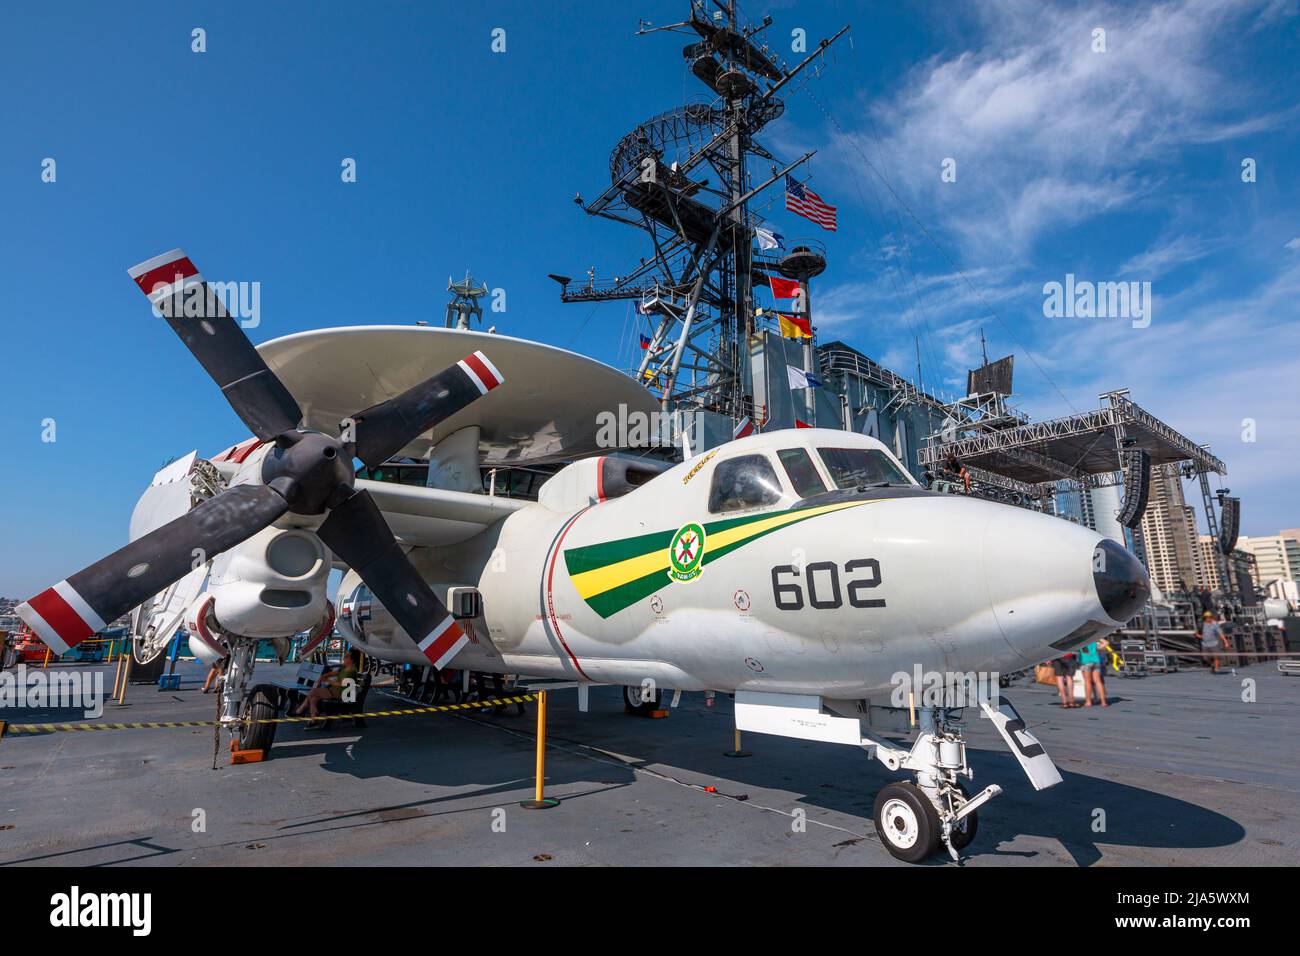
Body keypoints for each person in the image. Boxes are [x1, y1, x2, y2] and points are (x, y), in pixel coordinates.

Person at [294, 647, 362, 725]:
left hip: (342, 694)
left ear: (352, 660)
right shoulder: (345, 668)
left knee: (313, 691)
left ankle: (299, 711)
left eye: (346, 656)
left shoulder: (351, 670)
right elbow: (332, 673)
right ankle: (314, 720)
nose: (344, 658)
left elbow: (341, 684)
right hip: (335, 691)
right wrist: (323, 676)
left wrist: (327, 680)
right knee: (313, 699)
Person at [1076, 638, 1110, 707]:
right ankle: (1103, 702)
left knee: (1087, 682)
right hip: (1096, 660)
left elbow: (1080, 649)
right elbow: (1106, 642)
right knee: (1098, 681)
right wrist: (1099, 648)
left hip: (1085, 661)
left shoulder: (1080, 638)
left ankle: (1088, 702)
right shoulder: (1094, 636)